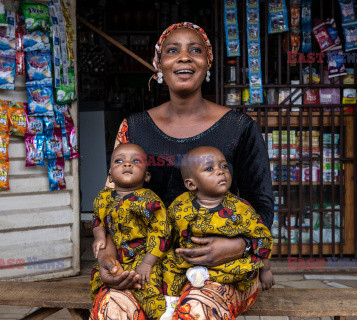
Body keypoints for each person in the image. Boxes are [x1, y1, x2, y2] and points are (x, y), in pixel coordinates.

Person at [90, 22, 274, 320]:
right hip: (140, 262)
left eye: (196, 50)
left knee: (198, 311)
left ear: (207, 63)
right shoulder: (133, 127)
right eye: (172, 50)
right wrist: (107, 257)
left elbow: (261, 204)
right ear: (159, 64)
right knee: (114, 309)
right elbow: (112, 203)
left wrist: (236, 245)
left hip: (218, 269)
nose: (185, 57)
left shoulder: (240, 127)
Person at [160, 146, 273, 320]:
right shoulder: (180, 206)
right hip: (188, 265)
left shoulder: (240, 208)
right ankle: (171, 304)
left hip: (229, 268)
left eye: (224, 166)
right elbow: (167, 233)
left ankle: (205, 276)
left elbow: (262, 237)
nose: (221, 172)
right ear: (191, 184)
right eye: (209, 169)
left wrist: (266, 271)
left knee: (243, 269)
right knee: (169, 265)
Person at [90, 143, 171, 320]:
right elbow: (98, 220)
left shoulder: (150, 201)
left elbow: (161, 233)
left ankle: (161, 315)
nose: (127, 164)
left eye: (136, 161)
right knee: (102, 281)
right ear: (110, 176)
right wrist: (99, 236)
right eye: (119, 161)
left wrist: (148, 263)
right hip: (116, 257)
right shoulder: (103, 198)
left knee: (148, 286)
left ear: (147, 175)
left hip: (143, 257)